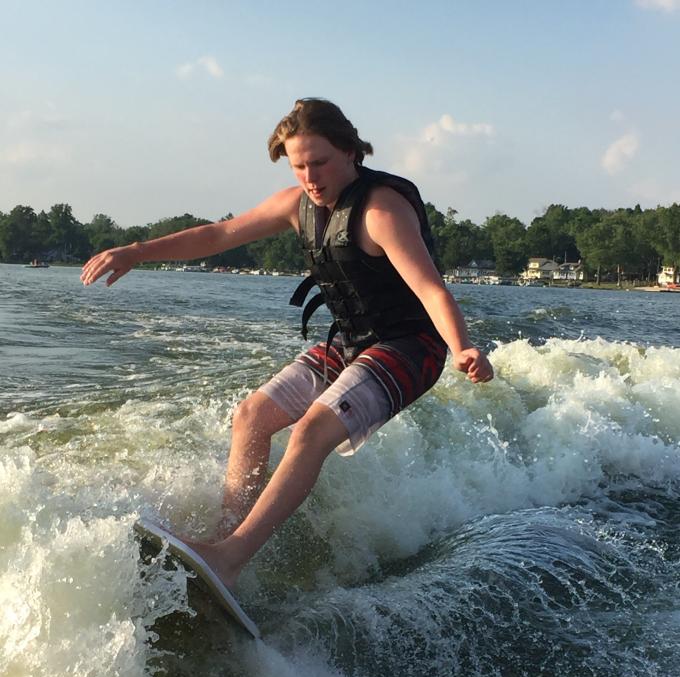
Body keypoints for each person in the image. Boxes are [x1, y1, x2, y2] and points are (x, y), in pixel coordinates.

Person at [81, 98, 494, 589]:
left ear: (350, 151)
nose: (310, 178)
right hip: (350, 344)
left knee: (311, 430)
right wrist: (137, 251)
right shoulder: (295, 205)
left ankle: (229, 559)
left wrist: (463, 346)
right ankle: (222, 541)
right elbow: (218, 235)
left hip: (411, 345)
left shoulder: (381, 210)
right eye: (299, 166)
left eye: (319, 162)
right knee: (252, 416)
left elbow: (431, 289)